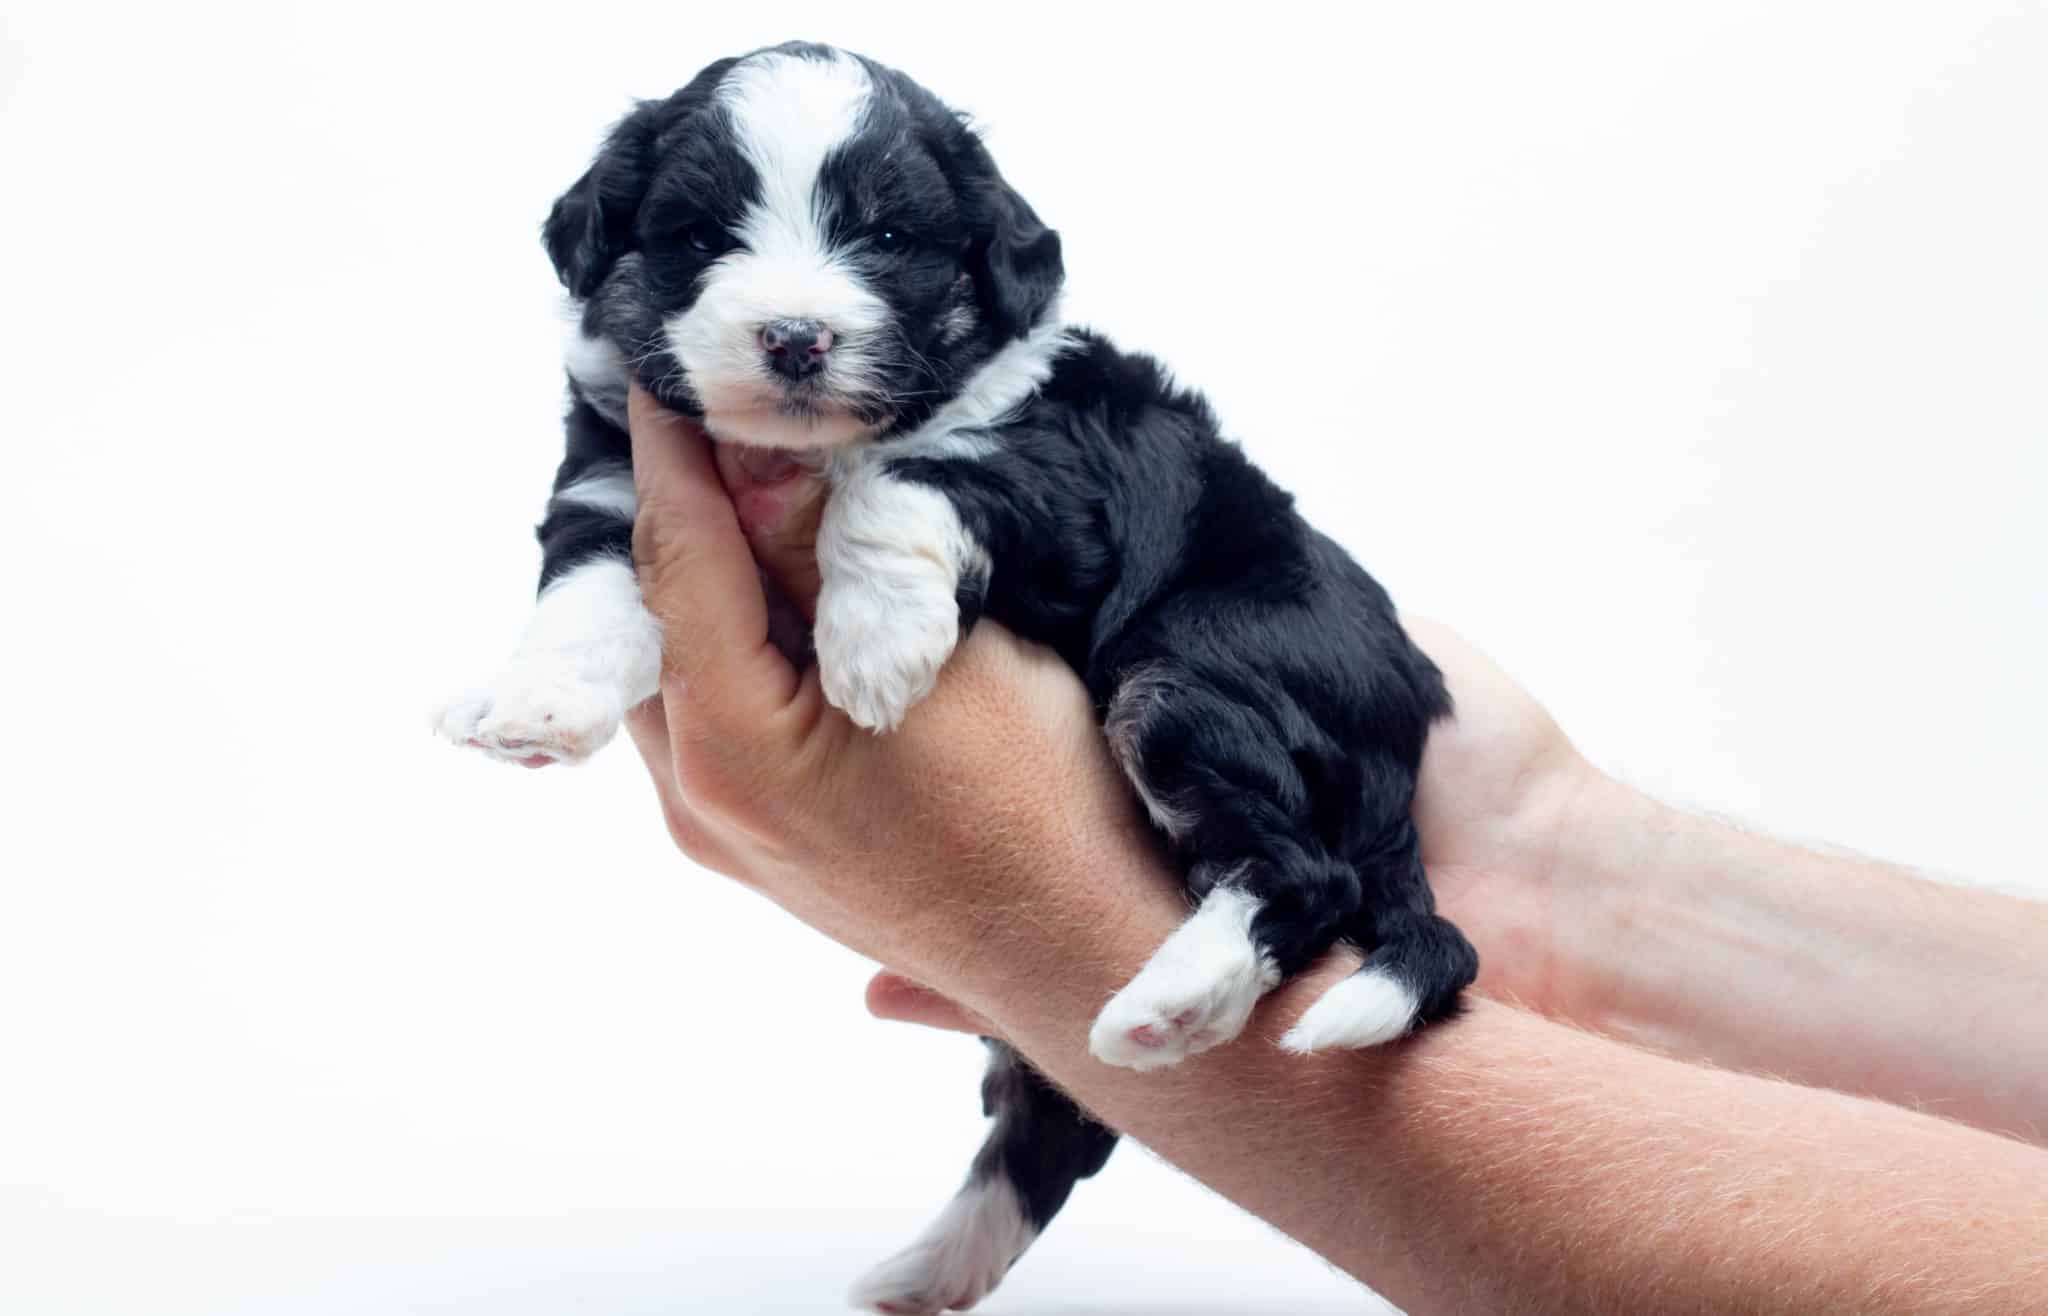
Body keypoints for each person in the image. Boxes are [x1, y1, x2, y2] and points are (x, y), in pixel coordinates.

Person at [619, 386, 2048, 1314]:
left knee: (1176, 725)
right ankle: (1016, 1188)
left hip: (1229, 667)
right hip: (1307, 697)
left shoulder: (1002, 426)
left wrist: (1059, 934)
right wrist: (1550, 858)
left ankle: (1260, 918)